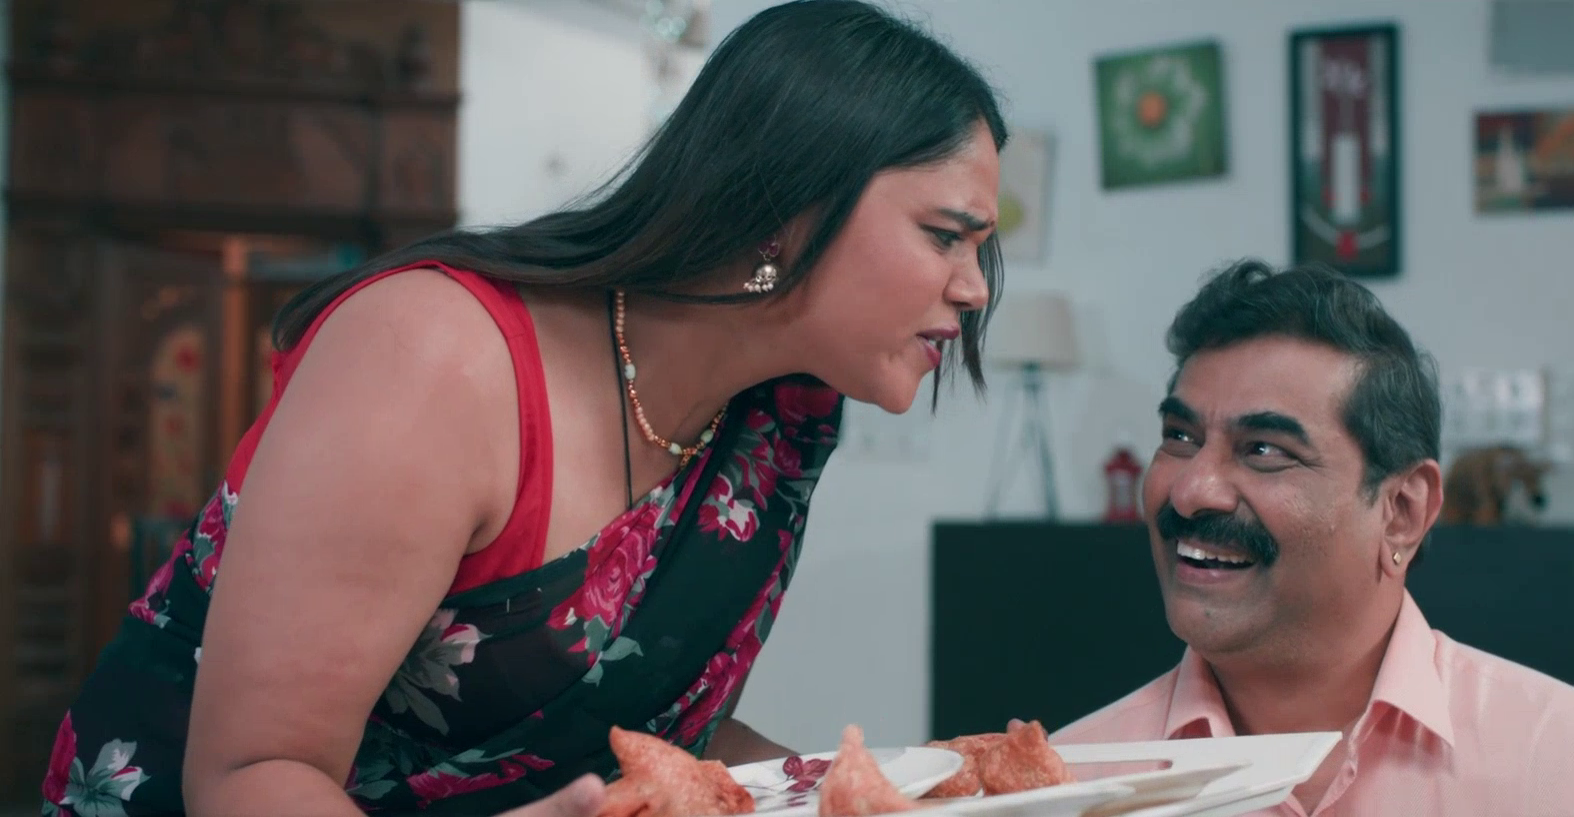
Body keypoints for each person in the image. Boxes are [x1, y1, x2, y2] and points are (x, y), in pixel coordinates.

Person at [42, 2, 1006, 815]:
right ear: (790, 205)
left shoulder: (784, 416)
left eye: (980, 249)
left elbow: (651, 735)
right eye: (943, 235)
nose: (973, 289)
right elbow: (251, 775)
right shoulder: (435, 358)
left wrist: (874, 794)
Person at [1054, 261, 1574, 816]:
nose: (1192, 490)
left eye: (1264, 449)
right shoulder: (1067, 786)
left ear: (1402, 512)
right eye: (1180, 437)